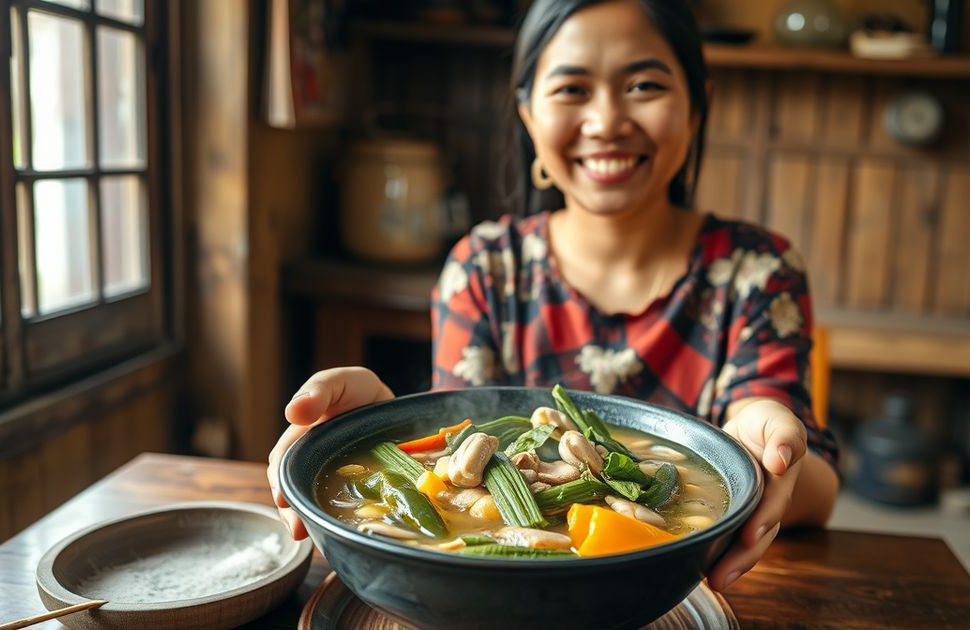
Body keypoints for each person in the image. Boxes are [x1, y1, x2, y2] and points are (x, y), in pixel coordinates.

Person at [268, 0, 839, 592]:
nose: (606, 120)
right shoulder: (486, 267)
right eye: (572, 89)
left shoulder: (758, 271)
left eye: (644, 84)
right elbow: (466, 449)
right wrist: (378, 428)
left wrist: (768, 446)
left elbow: (813, 490)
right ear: (528, 117)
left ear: (696, 107)